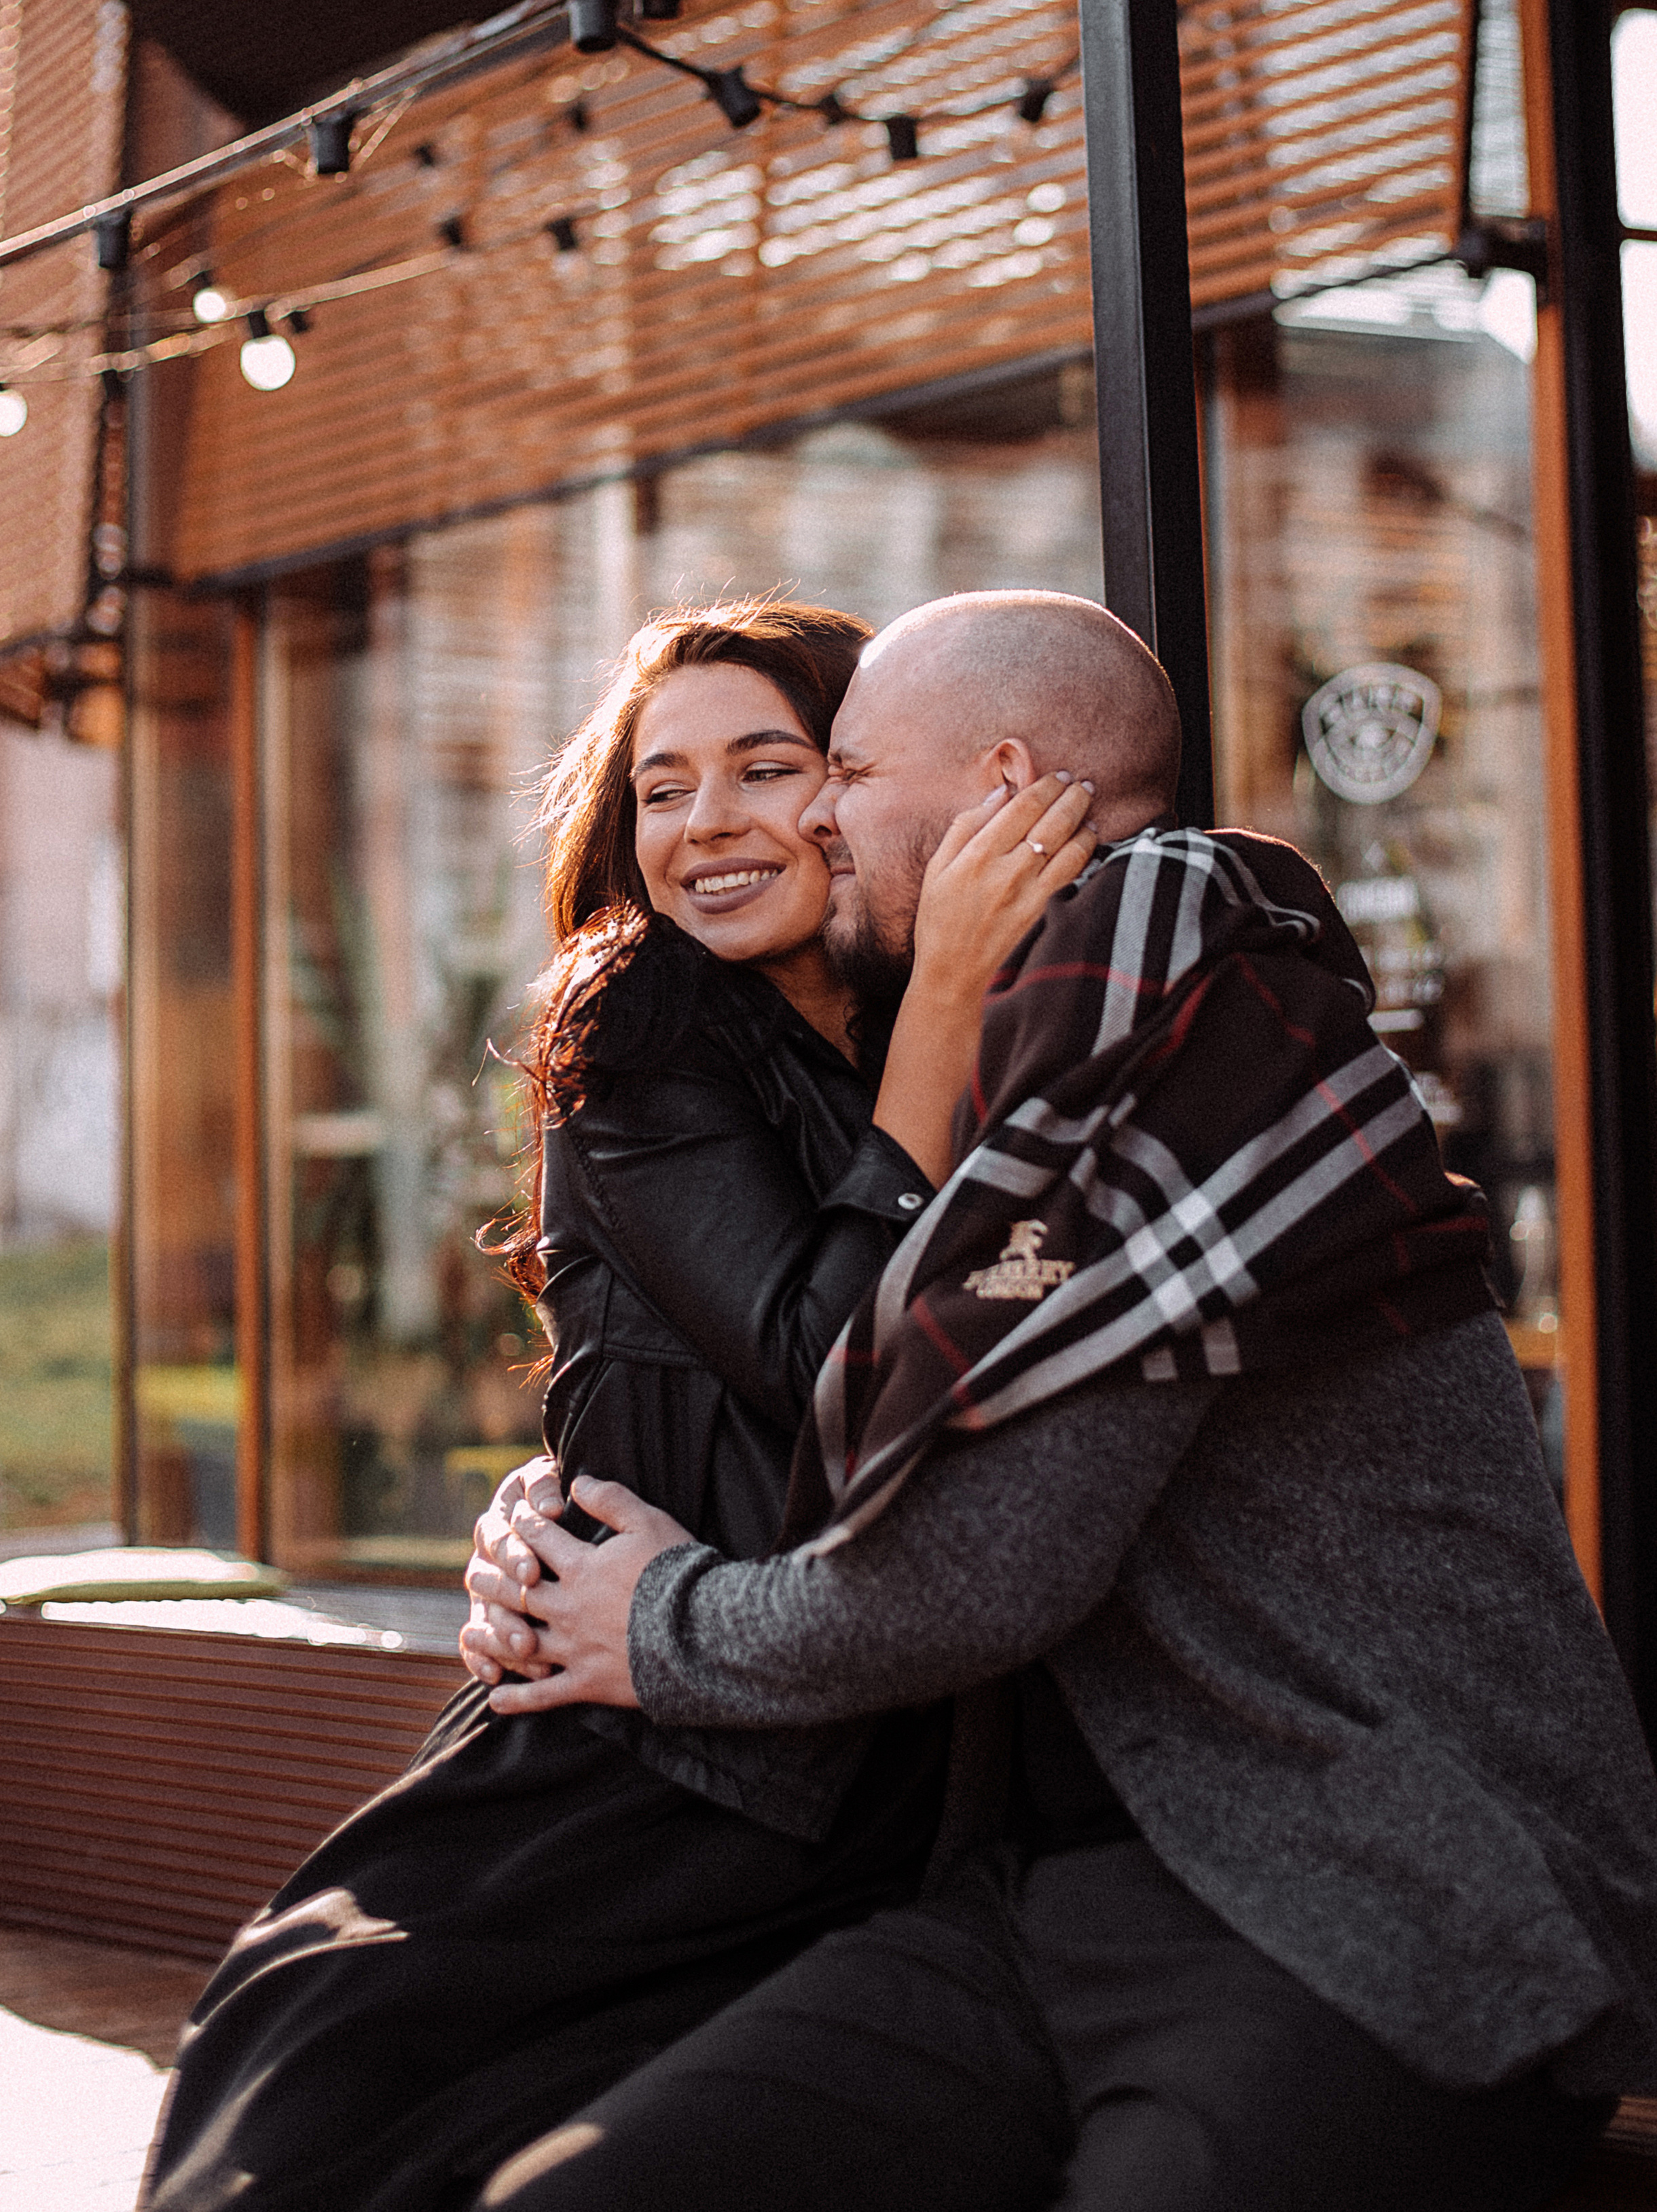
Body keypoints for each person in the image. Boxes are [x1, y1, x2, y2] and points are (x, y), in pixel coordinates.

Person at [466, 590, 1657, 2212]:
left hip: (1383, 1897)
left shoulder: (1180, 1027)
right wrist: (565, 1487)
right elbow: (812, 1356)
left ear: (1005, 782)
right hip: (1059, 1900)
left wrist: (651, 1619)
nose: (812, 811)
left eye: (846, 770)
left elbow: (976, 1571)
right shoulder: (1009, 1048)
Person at [140, 596, 1095, 2212]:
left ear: (859, 788)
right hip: (644, 1781)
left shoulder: (982, 1036)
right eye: (661, 789)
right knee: (340, 2137)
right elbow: (821, 1369)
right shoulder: (639, 1035)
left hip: (877, 1772)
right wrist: (940, 1003)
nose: (705, 826)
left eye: (764, 767)